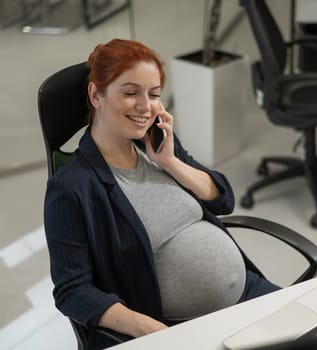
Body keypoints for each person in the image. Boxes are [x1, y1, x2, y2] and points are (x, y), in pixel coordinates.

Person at [43, 38, 280, 349]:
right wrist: (153, 331)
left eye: (154, 94)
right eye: (130, 93)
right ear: (95, 95)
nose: (145, 106)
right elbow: (72, 290)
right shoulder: (72, 187)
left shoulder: (154, 144)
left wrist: (170, 163)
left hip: (248, 293)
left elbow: (223, 198)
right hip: (181, 328)